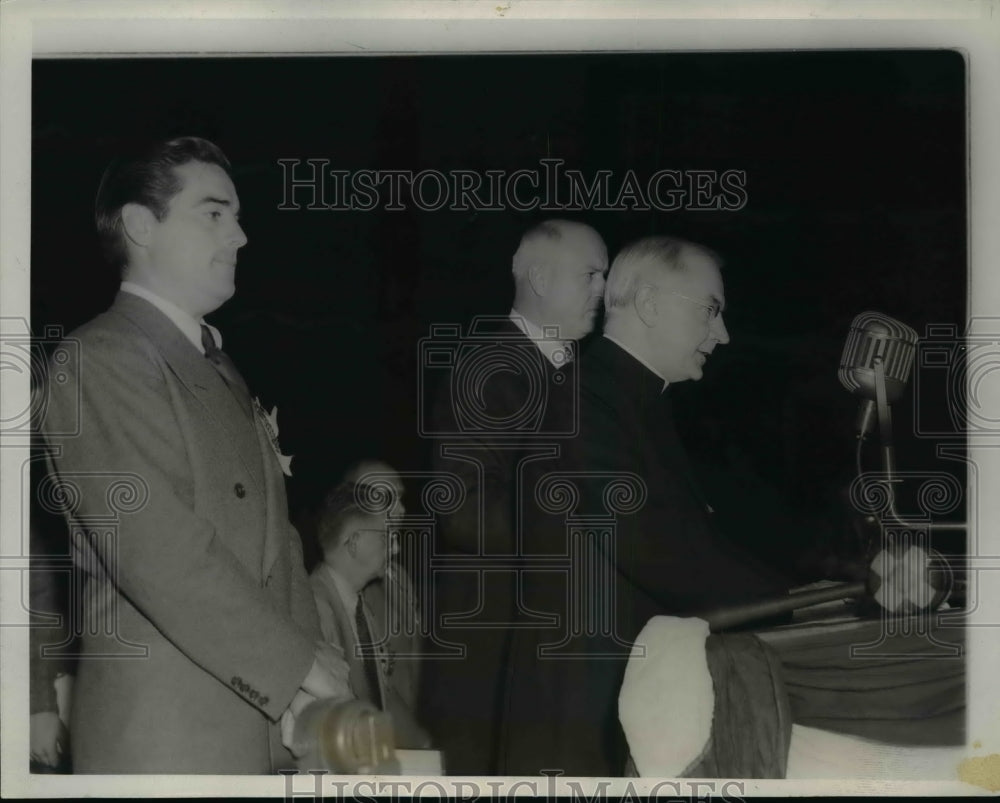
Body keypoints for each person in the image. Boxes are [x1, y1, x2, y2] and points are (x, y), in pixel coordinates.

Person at [39, 137, 350, 773]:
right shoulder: (99, 358)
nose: (239, 237)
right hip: (166, 737)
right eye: (214, 213)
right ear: (138, 226)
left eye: (237, 217)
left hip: (254, 730)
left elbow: (278, 548)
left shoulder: (218, 367)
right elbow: (161, 552)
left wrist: (313, 689)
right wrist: (301, 667)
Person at [499, 235, 788, 776]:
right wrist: (792, 605)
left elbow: (693, 544)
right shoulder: (583, 398)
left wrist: (802, 596)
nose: (722, 335)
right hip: (581, 721)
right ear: (651, 304)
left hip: (617, 705)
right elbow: (656, 546)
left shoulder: (630, 400)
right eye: (711, 310)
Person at [420, 220, 608, 774]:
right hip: (492, 648)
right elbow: (461, 508)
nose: (602, 289)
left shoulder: (579, 375)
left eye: (606, 275)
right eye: (590, 274)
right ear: (541, 278)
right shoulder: (488, 365)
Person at [310, 480, 430, 749]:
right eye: (386, 537)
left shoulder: (364, 613)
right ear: (354, 543)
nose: (396, 549)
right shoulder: (314, 609)